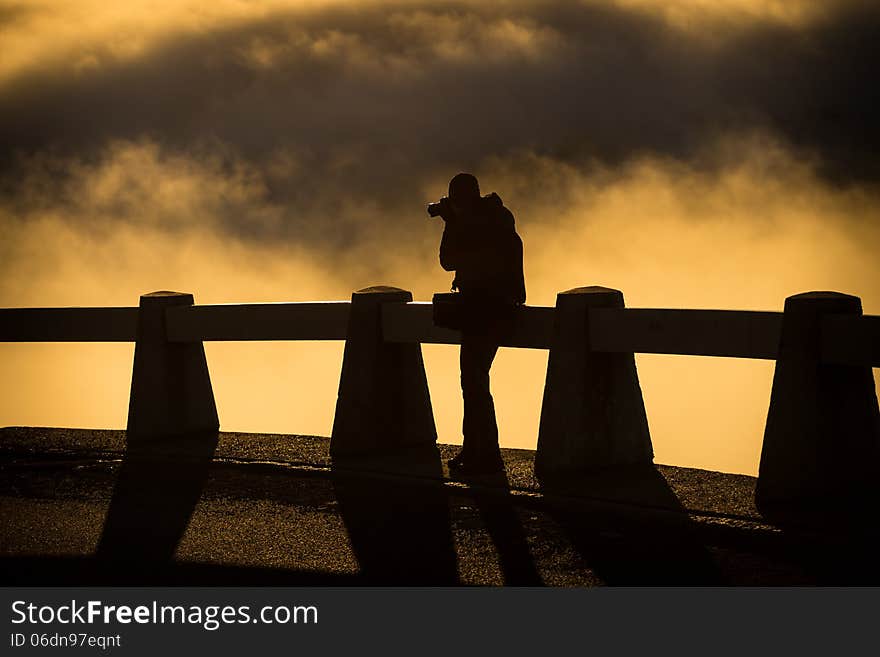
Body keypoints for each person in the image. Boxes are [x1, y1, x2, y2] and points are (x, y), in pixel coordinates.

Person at [436, 173, 525, 475]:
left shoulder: (487, 220)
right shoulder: (492, 216)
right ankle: (477, 449)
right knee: (473, 381)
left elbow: (456, 258)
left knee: (473, 380)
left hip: (488, 308)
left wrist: (454, 222)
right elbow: (452, 260)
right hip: (487, 307)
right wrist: (455, 221)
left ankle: (483, 451)